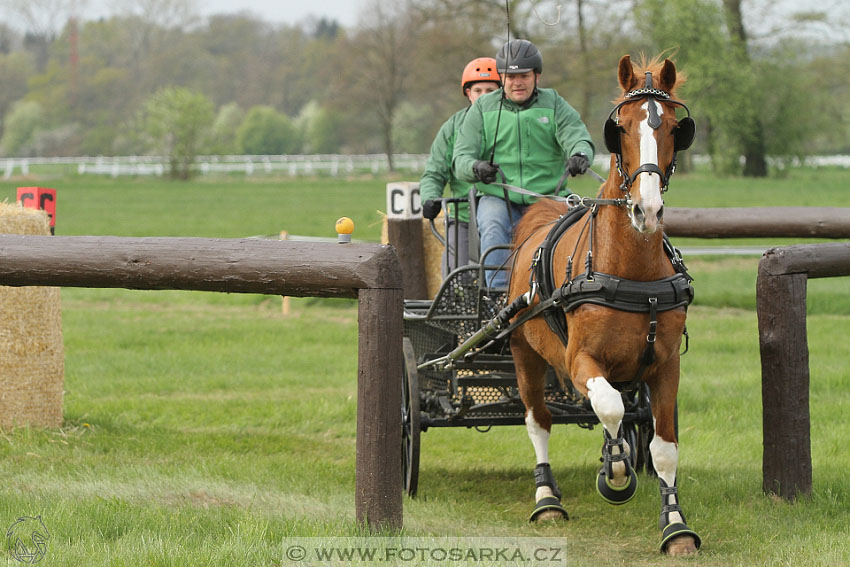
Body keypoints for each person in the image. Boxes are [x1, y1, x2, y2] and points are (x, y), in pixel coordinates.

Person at [452, 39, 595, 289]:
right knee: (493, 225)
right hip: (499, 196)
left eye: (524, 76)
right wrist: (476, 167)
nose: (517, 82)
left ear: (536, 76)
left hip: (548, 196)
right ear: (502, 78)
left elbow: (576, 134)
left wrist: (580, 154)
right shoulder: (483, 108)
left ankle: (567, 290)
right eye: (510, 76)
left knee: (578, 231)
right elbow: (461, 157)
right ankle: (497, 296)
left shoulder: (554, 104)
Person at [420, 57, 501, 276]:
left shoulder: (510, 123)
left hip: (506, 214)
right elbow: (434, 172)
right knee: (455, 277)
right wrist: (429, 196)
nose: (484, 97)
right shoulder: (452, 127)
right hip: (464, 217)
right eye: (478, 91)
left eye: (490, 91)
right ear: (468, 93)